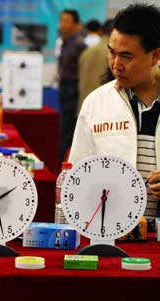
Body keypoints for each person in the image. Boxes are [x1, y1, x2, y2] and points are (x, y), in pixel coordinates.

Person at [69, 4, 160, 224]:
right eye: (112, 52)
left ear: (155, 55)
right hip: (110, 237)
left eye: (127, 56)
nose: (116, 65)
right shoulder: (96, 103)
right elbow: (75, 180)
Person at [58, 9, 87, 163]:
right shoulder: (64, 41)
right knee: (65, 125)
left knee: (70, 127)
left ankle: (67, 162)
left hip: (73, 88)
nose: (63, 24)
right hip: (64, 86)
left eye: (67, 20)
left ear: (76, 25)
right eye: (61, 20)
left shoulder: (79, 44)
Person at [78, 19, 114, 113]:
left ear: (102, 30)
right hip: (106, 109)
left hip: (85, 107)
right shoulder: (114, 54)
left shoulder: (85, 53)